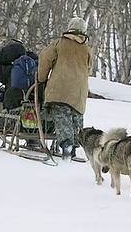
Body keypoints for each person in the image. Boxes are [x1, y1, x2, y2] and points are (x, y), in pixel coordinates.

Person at [37, 16, 92, 160]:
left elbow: (44, 59)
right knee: (75, 118)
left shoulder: (59, 44)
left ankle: (66, 145)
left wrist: (41, 79)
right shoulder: (86, 48)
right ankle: (73, 146)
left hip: (60, 88)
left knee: (62, 116)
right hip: (79, 91)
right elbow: (89, 68)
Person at [0, 39, 38, 147]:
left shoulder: (9, 70)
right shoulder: (36, 68)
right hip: (34, 107)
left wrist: (1, 54)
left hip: (14, 109)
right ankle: (33, 140)